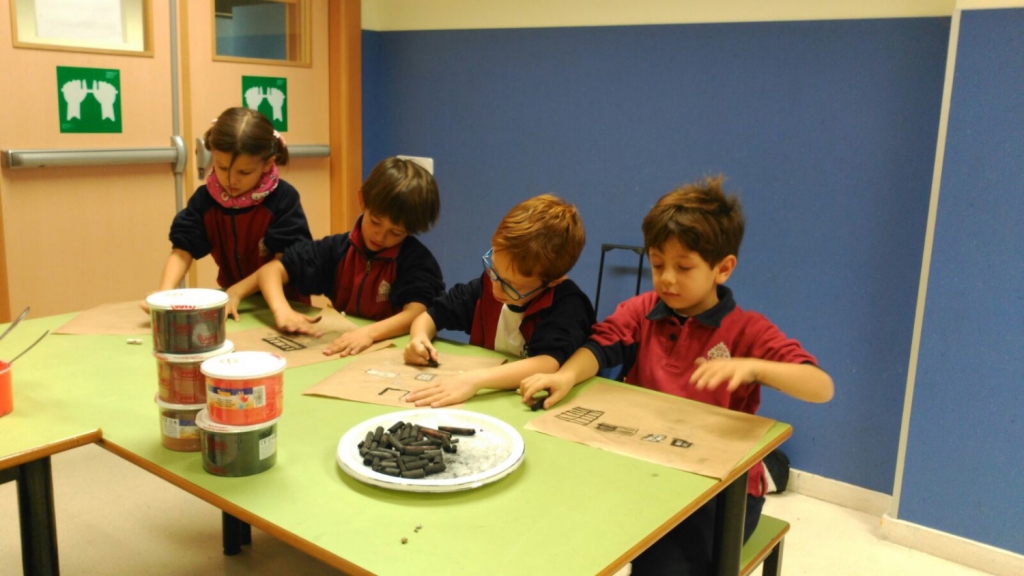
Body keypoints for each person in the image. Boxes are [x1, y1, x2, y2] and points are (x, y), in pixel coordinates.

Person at [520, 176, 834, 575]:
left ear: (723, 268)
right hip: (649, 469)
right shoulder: (642, 310)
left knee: (661, 565)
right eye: (658, 264)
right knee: (568, 527)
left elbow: (821, 387)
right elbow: (601, 346)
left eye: (683, 267)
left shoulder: (747, 330)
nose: (667, 278)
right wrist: (566, 376)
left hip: (724, 495)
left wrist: (754, 367)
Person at [403, 194, 595, 407]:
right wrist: (419, 338)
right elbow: (433, 315)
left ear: (553, 281)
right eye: (493, 269)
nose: (495, 287)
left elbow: (548, 362)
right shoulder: (490, 284)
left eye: (513, 286)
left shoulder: (568, 305)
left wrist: (473, 380)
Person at [258, 157, 444, 356]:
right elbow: (272, 270)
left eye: (396, 232)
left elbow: (418, 313)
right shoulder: (338, 249)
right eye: (375, 222)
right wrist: (282, 311)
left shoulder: (417, 261)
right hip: (345, 348)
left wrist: (369, 333)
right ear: (362, 200)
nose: (381, 236)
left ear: (411, 230)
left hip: (395, 352)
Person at [155, 107, 312, 319]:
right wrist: (163, 297)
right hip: (234, 302)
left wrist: (238, 290)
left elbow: (287, 262)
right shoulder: (205, 199)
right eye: (221, 167)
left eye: (244, 172)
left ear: (268, 163)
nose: (231, 180)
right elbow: (183, 249)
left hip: (284, 304)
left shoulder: (283, 199)